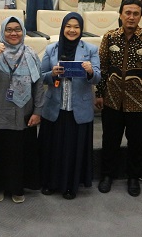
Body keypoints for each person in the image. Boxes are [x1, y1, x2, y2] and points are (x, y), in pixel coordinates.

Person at [96, 0, 142, 197]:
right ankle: (107, 175)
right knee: (110, 141)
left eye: (135, 13)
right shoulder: (110, 37)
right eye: (127, 13)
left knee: (137, 143)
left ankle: (133, 177)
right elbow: (102, 68)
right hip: (112, 100)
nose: (131, 17)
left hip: (141, 102)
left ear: (140, 16)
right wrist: (99, 93)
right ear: (120, 14)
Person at [0, 16, 42, 203]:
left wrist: (38, 111)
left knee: (19, 152)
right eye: (9, 29)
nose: (13, 33)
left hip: (24, 113)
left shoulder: (31, 54)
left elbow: (38, 86)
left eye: (17, 29)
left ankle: (17, 187)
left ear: (23, 32)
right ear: (3, 32)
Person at [39, 12, 101, 199]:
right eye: (68, 26)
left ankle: (70, 186)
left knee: (73, 151)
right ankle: (50, 183)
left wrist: (90, 72)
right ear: (63, 27)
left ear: (81, 29)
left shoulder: (90, 49)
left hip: (78, 109)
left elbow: (98, 77)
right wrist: (53, 74)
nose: (72, 30)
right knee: (54, 149)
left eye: (76, 27)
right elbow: (40, 76)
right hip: (55, 108)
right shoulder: (51, 49)